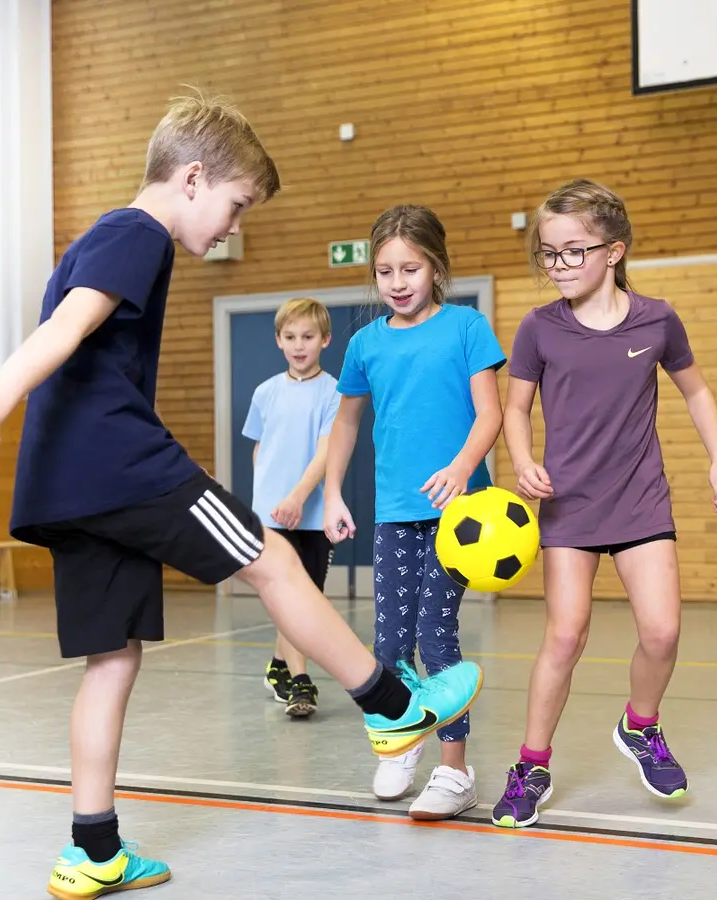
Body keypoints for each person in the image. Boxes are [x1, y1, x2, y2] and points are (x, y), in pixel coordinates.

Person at [0, 90, 484, 898]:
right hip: (119, 462)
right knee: (270, 559)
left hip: (64, 482)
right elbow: (67, 327)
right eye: (234, 207)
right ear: (192, 179)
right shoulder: (136, 234)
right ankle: (390, 703)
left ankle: (91, 850)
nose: (232, 228)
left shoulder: (100, 235)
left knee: (111, 658)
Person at [491, 178, 717, 829]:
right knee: (566, 635)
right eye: (549, 253)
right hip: (569, 508)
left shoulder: (657, 320)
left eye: (574, 251)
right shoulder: (539, 328)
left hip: (640, 502)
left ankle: (640, 725)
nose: (559, 266)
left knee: (662, 630)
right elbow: (515, 407)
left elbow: (698, 392)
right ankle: (532, 765)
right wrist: (523, 460)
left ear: (614, 251)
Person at [324, 204, 506, 821]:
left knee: (436, 633)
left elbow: (491, 414)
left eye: (411, 268)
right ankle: (401, 737)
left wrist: (460, 470)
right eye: (384, 272)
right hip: (396, 512)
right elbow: (345, 423)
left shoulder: (466, 327)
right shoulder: (365, 344)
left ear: (437, 268)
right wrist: (330, 491)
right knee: (391, 639)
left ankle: (455, 771)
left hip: (461, 517)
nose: (397, 283)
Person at [242, 297, 339, 717]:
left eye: (308, 337)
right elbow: (260, 451)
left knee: (307, 600)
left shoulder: (335, 391)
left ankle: (279, 666)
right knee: (288, 599)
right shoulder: (265, 392)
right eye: (290, 337)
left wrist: (298, 497)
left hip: (311, 514)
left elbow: (325, 453)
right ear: (279, 341)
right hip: (270, 517)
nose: (299, 345)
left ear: (325, 340)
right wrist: (265, 503)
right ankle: (300, 683)